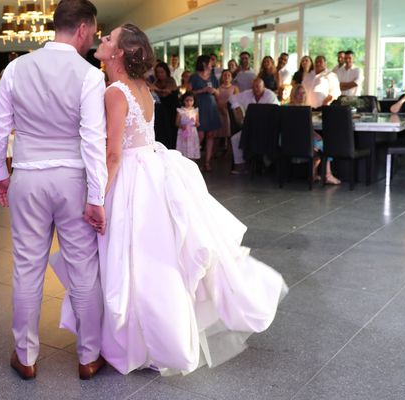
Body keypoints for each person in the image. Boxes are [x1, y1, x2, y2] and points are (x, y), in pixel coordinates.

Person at [66, 23, 287, 376]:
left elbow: (112, 154)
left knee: (130, 257)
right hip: (152, 170)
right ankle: (152, 338)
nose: (102, 40)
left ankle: (131, 340)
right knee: (152, 258)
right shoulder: (140, 86)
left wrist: (98, 199)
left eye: (109, 38)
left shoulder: (114, 92)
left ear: (119, 52)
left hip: (131, 177)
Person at [0, 0, 108, 381]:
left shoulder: (16, 69)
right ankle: (89, 357)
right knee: (83, 269)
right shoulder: (90, 75)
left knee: (26, 267)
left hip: (28, 176)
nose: (92, 41)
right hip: (72, 179)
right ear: (84, 28)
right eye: (93, 33)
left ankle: (25, 356)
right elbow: (93, 140)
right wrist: (96, 196)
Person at [287, 84, 341, 184]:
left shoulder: (285, 108)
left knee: (317, 146)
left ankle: (313, 174)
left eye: (303, 93)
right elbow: (306, 129)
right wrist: (317, 135)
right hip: (301, 142)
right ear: (293, 95)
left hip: (287, 142)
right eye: (298, 94)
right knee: (322, 144)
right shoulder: (304, 110)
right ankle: (328, 175)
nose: (302, 96)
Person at [229, 77, 279, 174]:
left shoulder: (270, 96)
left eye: (258, 87)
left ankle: (266, 162)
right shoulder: (247, 93)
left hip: (267, 130)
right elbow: (232, 98)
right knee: (235, 138)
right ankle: (240, 165)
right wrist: (237, 107)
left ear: (263, 87)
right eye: (254, 87)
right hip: (250, 129)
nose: (255, 89)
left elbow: (275, 112)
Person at [189, 54, 221, 172]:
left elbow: (218, 92)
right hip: (200, 106)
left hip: (211, 107)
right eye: (210, 61)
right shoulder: (194, 77)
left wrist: (215, 91)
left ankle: (207, 162)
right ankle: (193, 159)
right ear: (204, 63)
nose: (212, 64)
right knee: (200, 135)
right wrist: (203, 90)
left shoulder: (213, 77)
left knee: (211, 135)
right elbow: (189, 92)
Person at [151, 61, 179, 149]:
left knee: (171, 131)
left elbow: (166, 92)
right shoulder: (156, 82)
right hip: (162, 111)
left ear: (166, 71)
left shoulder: (171, 80)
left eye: (162, 72)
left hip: (172, 110)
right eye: (158, 72)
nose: (160, 74)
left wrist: (156, 89)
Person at [215, 69, 239, 151]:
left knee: (229, 133)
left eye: (229, 75)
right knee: (218, 133)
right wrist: (221, 108)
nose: (226, 77)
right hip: (219, 111)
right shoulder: (218, 88)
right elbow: (216, 100)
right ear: (222, 77)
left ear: (231, 78)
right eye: (225, 75)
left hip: (230, 112)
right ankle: (216, 151)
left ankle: (229, 151)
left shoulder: (234, 88)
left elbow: (236, 100)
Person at [175, 92, 200, 160]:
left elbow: (197, 122)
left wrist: (196, 123)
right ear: (183, 101)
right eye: (187, 100)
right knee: (184, 148)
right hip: (183, 132)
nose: (189, 102)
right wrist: (182, 126)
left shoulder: (195, 111)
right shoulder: (180, 111)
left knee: (192, 147)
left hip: (192, 132)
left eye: (191, 100)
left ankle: (193, 161)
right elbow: (177, 123)